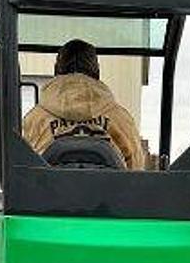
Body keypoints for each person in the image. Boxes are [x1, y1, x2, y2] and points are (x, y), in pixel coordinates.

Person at [22, 39, 145, 169]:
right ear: (96, 71)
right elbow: (136, 167)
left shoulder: (35, 119)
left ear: (57, 70)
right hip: (110, 189)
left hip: (49, 189)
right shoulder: (120, 118)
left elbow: (23, 167)